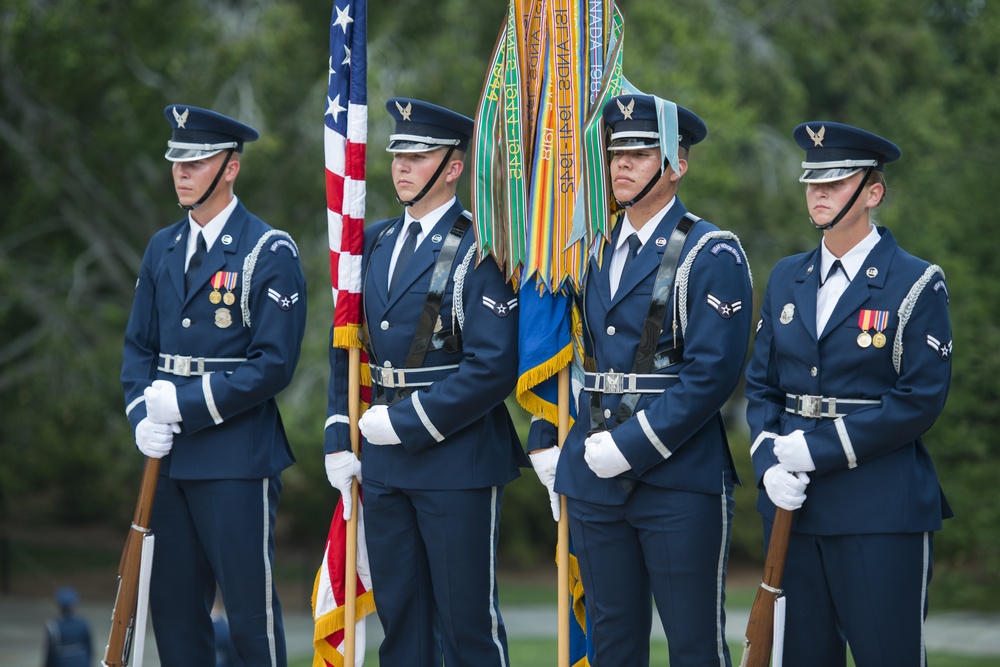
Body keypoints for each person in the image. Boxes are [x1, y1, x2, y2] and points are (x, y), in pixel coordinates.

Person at [531, 93, 752, 666]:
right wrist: (544, 433)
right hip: (593, 476)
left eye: (640, 151)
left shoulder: (712, 251)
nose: (621, 164)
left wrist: (631, 447)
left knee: (694, 646)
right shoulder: (588, 248)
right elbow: (564, 347)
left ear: (678, 163)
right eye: (614, 152)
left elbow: (712, 375)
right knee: (612, 646)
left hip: (677, 477)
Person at [323, 97, 526, 667]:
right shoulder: (375, 243)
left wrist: (404, 421)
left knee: (467, 628)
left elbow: (492, 366)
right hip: (384, 465)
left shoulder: (481, 248)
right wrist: (339, 429)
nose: (402, 167)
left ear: (453, 167)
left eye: (419, 155)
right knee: (401, 625)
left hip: (455, 459)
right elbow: (345, 343)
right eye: (398, 155)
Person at [744, 121, 952, 666]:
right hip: (794, 507)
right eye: (813, 182)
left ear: (873, 192)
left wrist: (820, 447)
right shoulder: (788, 277)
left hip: (878, 507)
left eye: (834, 183)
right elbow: (761, 384)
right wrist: (767, 459)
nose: (818, 193)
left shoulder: (915, 282)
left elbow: (919, 398)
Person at [121, 104, 307, 667]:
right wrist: (140, 418)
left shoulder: (268, 251)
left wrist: (181, 404)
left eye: (197, 160)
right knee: (175, 619)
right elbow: (137, 349)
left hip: (236, 459)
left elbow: (273, 364)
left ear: (231, 168)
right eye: (176, 159)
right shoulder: (162, 248)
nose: (181, 171)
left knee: (251, 621)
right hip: (168, 458)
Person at [43, 587, 92, 667]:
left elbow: (50, 653)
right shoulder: (83, 623)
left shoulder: (53, 625)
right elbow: (89, 648)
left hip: (61, 663)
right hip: (82, 662)